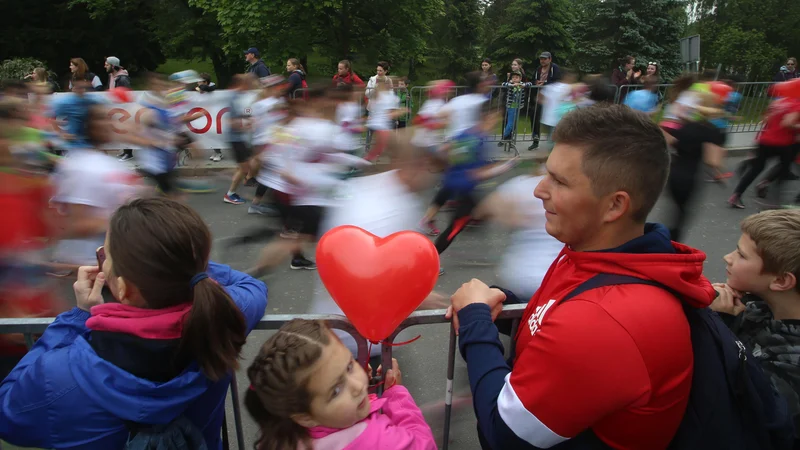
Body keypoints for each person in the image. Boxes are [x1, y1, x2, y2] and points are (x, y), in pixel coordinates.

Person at [447, 104, 718, 449]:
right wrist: (509, 306)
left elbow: (504, 435)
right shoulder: (591, 252)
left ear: (614, 206)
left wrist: (475, 321)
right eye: (547, 173)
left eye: (559, 181)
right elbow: (562, 312)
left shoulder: (606, 321)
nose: (538, 190)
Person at [0, 197, 268, 449]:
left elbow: (7, 413)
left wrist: (78, 317)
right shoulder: (221, 317)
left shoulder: (58, 373)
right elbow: (252, 286)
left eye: (107, 256)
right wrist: (185, 263)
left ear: (123, 288)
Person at [245, 319, 436, 450]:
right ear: (304, 417)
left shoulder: (281, 437)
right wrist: (396, 397)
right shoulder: (377, 440)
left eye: (349, 366)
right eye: (335, 390)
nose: (357, 386)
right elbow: (424, 445)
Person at [710, 209, 800, 435]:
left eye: (741, 255)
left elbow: (727, 401)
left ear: (780, 280)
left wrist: (718, 324)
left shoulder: (790, 365)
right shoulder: (756, 305)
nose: (727, 257)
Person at [48, 106, 144, 270]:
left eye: (109, 118)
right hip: (88, 265)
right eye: (101, 118)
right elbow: (76, 224)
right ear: (88, 125)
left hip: (116, 261)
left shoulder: (115, 165)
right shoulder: (80, 166)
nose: (108, 123)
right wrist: (131, 222)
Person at [471, 163, 563, 301]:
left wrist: (511, 217)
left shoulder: (520, 185)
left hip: (518, 274)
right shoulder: (568, 192)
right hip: (555, 276)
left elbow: (481, 211)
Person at [663, 91, 727, 242]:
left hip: (673, 174)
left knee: (674, 211)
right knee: (681, 216)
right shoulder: (712, 131)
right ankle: (671, 244)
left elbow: (670, 140)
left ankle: (665, 238)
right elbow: (713, 161)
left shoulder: (687, 127)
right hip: (690, 178)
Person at [729, 93, 800, 209]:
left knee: (756, 168)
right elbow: (788, 123)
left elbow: (766, 119)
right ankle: (770, 196)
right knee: (784, 168)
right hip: (784, 143)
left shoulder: (779, 102)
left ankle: (736, 195)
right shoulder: (797, 104)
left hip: (765, 139)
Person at [224, 74, 256, 205]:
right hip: (235, 138)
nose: (248, 86)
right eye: (246, 83)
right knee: (244, 168)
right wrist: (246, 127)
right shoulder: (233, 97)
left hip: (239, 138)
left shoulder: (238, 96)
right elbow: (231, 121)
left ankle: (231, 184)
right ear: (240, 84)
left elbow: (242, 113)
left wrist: (248, 117)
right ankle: (230, 194)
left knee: (244, 166)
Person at [529, 52, 562, 150]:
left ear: (550, 59)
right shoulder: (538, 69)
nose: (542, 61)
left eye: (544, 59)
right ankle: (535, 140)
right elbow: (533, 80)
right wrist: (536, 82)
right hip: (540, 97)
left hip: (551, 98)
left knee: (551, 120)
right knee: (535, 118)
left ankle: (553, 141)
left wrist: (545, 83)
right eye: (541, 59)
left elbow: (557, 80)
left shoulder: (554, 68)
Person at [500, 71, 532, 142]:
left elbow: (530, 84)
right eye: (513, 77)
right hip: (511, 106)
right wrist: (512, 85)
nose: (515, 79)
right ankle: (504, 137)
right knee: (510, 123)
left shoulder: (521, 84)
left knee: (514, 122)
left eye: (516, 77)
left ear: (520, 78)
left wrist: (523, 85)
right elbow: (503, 84)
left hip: (518, 106)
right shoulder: (510, 84)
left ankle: (508, 137)